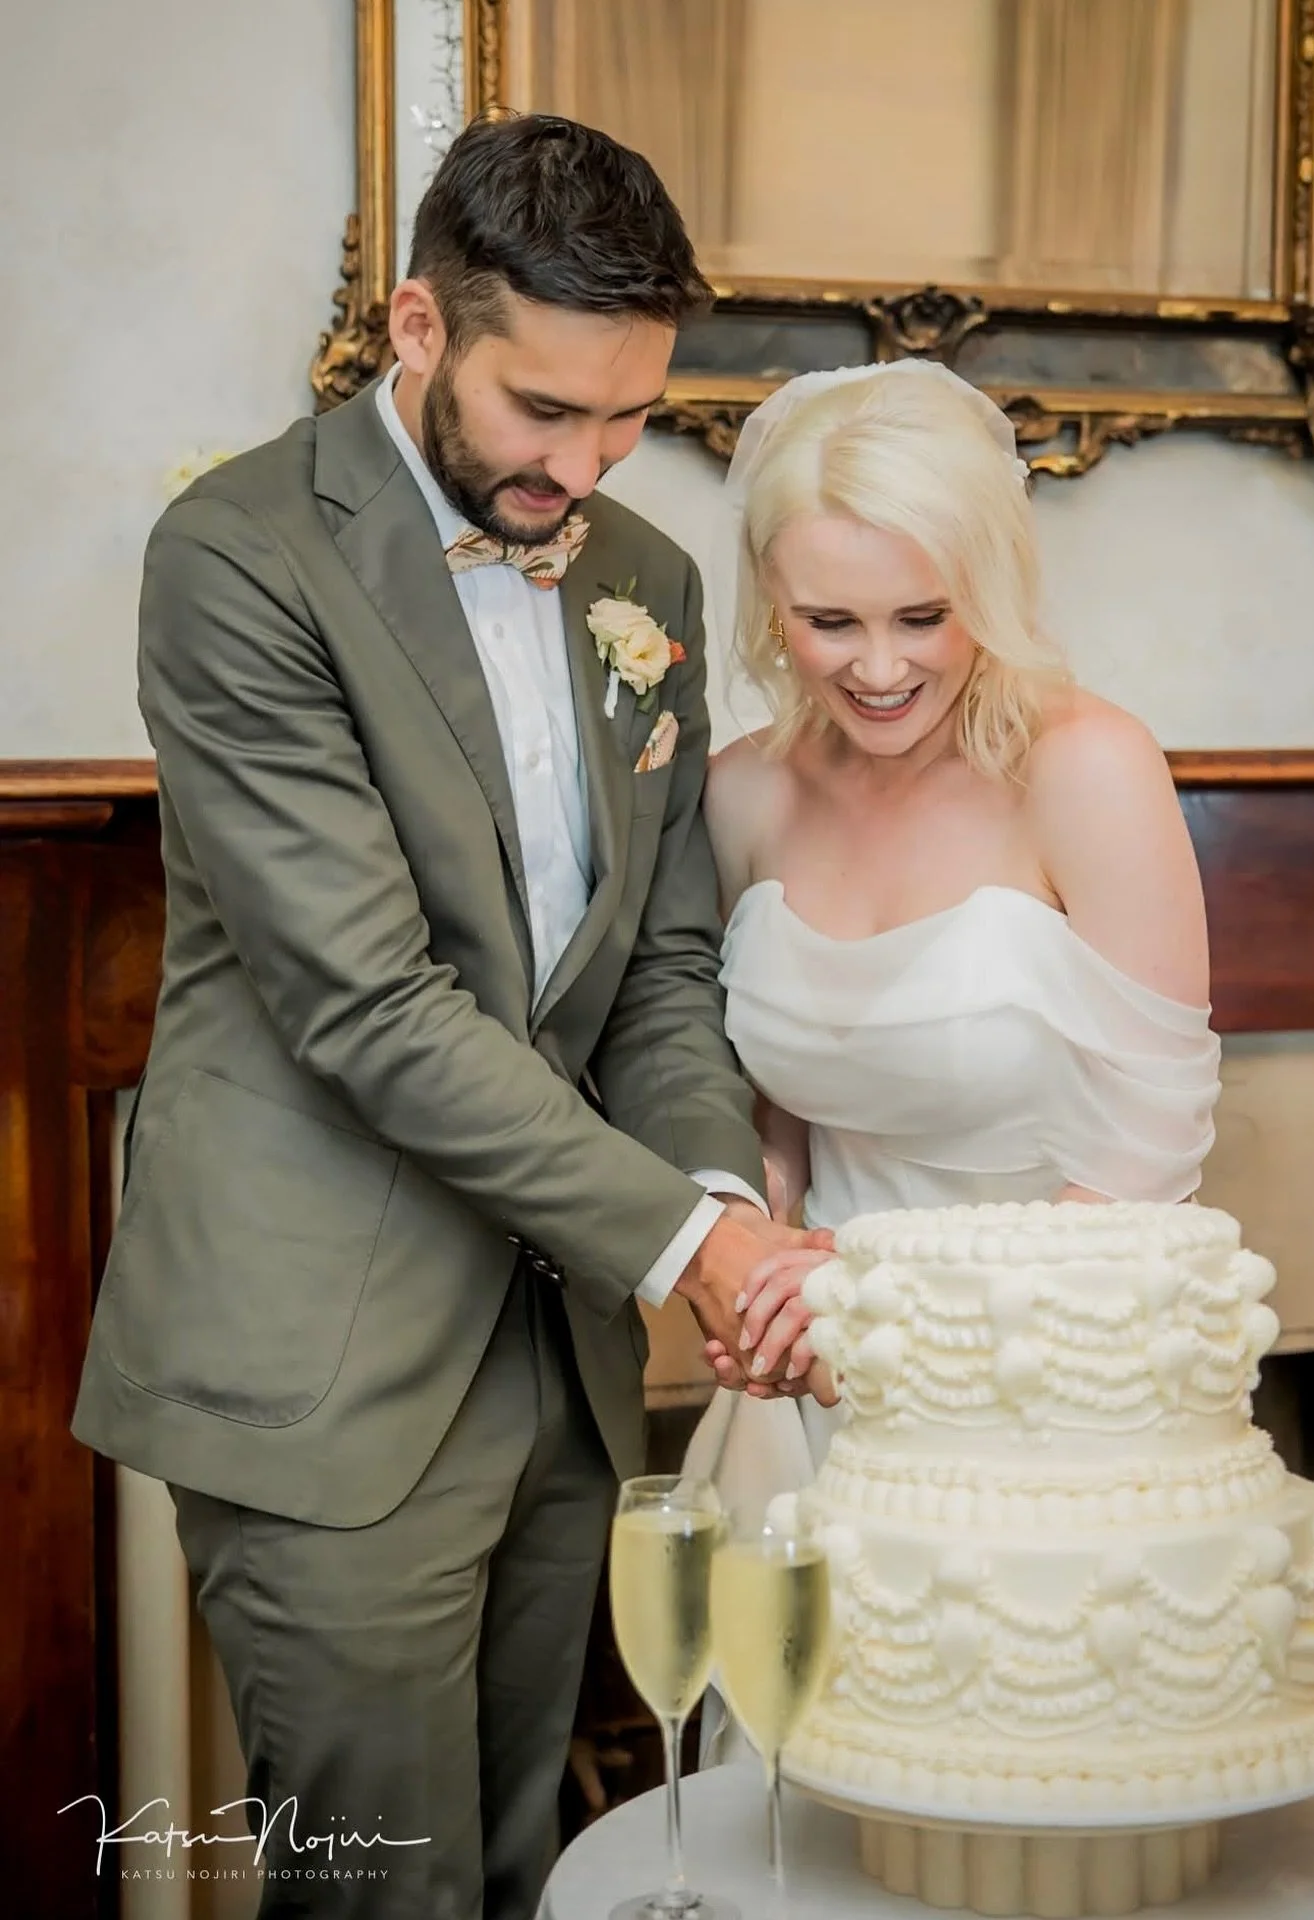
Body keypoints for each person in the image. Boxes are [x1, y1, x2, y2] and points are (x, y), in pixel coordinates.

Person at [71, 115, 826, 1920]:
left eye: (631, 415)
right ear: (419, 327)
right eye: (542, 412)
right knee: (382, 1895)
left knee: (524, 1873)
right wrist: (689, 1255)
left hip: (556, 1366)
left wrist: (718, 1201)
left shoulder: (644, 581)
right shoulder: (238, 556)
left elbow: (652, 965)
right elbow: (373, 1006)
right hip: (321, 1363)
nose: (587, 463)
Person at [684, 359, 1222, 1656]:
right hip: (819, 1388)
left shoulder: (1089, 767)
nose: (877, 668)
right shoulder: (740, 793)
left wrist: (890, 1308)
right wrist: (755, 1264)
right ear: (772, 599)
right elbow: (774, 1108)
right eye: (830, 621)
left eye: (923, 615)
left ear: (989, 584)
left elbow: (1154, 1152)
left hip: (1056, 1381)